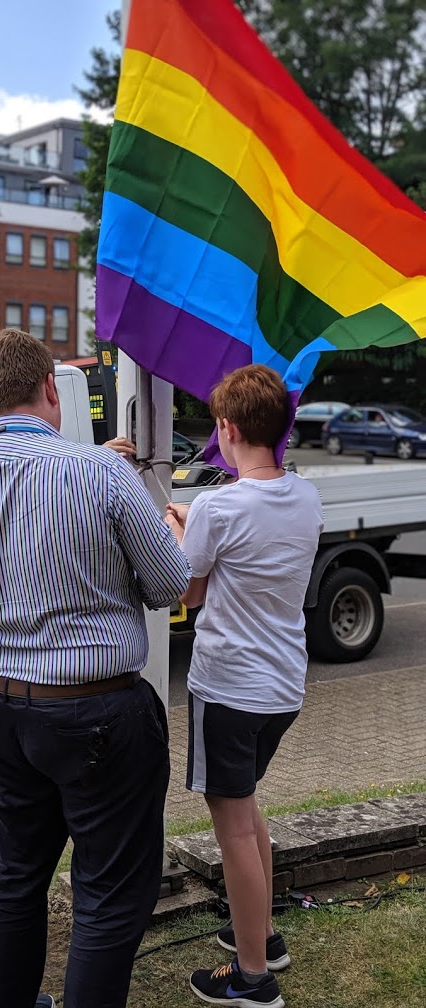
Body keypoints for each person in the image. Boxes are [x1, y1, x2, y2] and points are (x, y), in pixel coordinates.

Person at [0, 328, 191, 1008]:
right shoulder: (101, 472)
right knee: (107, 895)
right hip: (95, 713)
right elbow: (167, 585)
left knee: (11, 877)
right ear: (47, 392)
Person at [166, 365, 323, 1008]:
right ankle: (258, 933)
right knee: (246, 806)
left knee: (231, 825)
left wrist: (178, 529)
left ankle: (253, 978)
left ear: (227, 430)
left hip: (228, 686)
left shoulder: (216, 505)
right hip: (282, 685)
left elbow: (187, 590)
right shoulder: (307, 496)